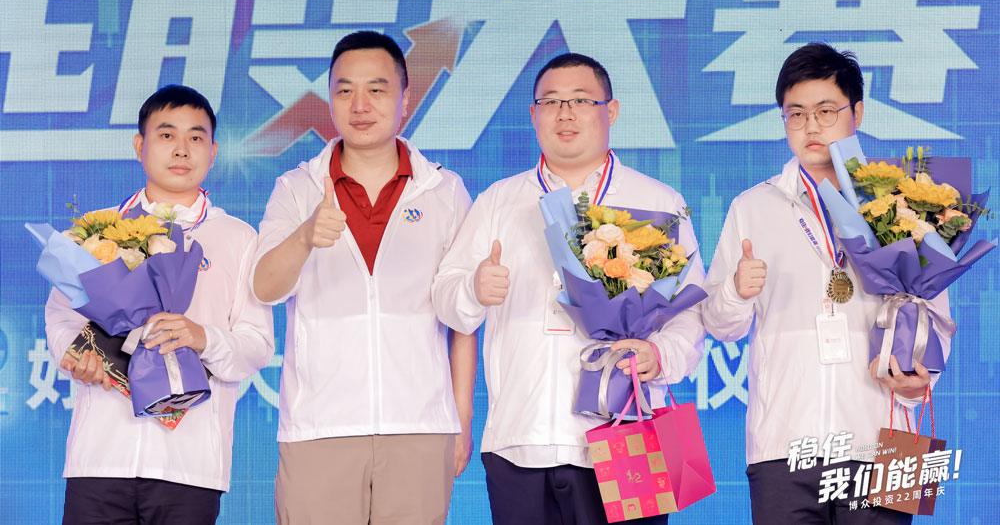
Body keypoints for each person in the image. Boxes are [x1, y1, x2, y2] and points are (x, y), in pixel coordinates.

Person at [432, 53, 706, 525]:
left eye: (580, 100)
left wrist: (659, 354)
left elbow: (689, 312)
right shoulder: (498, 201)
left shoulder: (658, 201)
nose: (565, 113)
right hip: (521, 438)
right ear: (533, 114)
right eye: (551, 102)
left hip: (630, 433)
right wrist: (473, 289)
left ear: (611, 111)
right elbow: (446, 299)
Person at [701, 42, 950, 524]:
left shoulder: (908, 202)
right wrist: (735, 291)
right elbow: (720, 326)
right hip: (783, 443)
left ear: (858, 113)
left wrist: (923, 376)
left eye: (826, 111)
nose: (811, 126)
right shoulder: (753, 207)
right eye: (796, 113)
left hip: (889, 436)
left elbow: (936, 313)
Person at [252, 30, 477, 525]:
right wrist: (305, 236)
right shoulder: (296, 188)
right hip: (319, 426)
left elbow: (462, 319)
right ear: (329, 100)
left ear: (405, 98)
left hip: (420, 426)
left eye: (376, 89)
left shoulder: (444, 191)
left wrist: (460, 418)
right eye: (344, 90)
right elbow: (264, 287)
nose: (360, 105)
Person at [45, 84, 275, 524]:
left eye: (196, 137)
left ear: (213, 152)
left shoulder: (238, 238)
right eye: (167, 135)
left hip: (189, 462)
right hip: (100, 455)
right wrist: (76, 355)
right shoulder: (96, 230)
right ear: (140, 145)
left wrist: (203, 337)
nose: (181, 149)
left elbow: (258, 345)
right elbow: (61, 314)